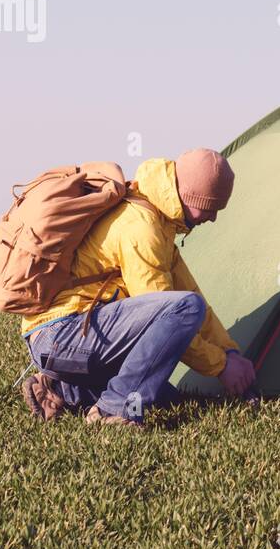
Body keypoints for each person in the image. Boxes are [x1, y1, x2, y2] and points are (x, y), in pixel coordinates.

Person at [19, 149, 256, 427]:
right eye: (211, 207)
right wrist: (221, 366)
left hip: (69, 336)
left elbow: (192, 293)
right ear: (190, 197)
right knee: (184, 309)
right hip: (62, 334)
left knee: (163, 395)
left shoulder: (161, 222)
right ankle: (113, 411)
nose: (213, 218)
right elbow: (171, 312)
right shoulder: (142, 227)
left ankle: (59, 390)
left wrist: (229, 352)